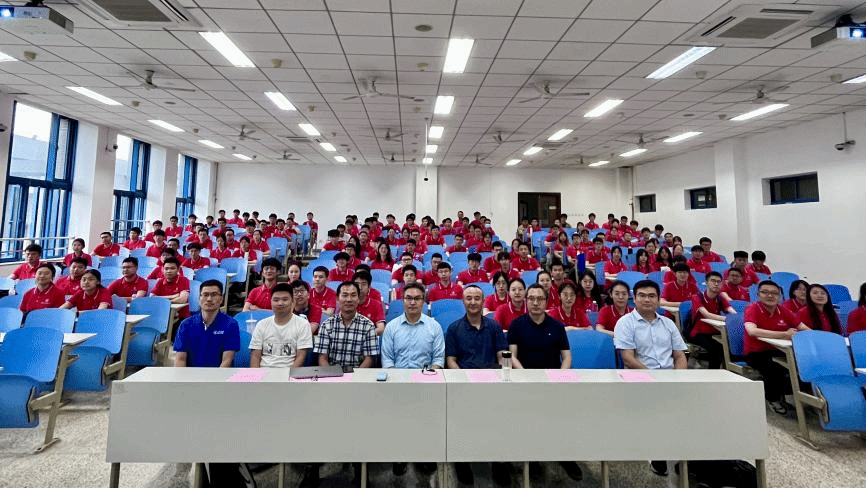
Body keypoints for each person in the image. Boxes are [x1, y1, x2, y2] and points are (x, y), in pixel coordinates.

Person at [507, 284, 582, 481]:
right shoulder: (517, 325)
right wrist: (524, 376)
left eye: (540, 299)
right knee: (530, 419)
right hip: (525, 380)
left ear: (547, 301)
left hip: (553, 381)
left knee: (562, 418)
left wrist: (560, 378)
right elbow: (512, 356)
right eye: (531, 298)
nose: (535, 303)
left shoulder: (556, 326)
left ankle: (564, 456)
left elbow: (566, 357)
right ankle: (532, 458)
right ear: (526, 301)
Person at [172, 279, 243, 487]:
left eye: (214, 295)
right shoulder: (186, 325)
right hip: (192, 386)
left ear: (221, 299)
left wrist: (212, 388)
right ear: (199, 298)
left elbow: (227, 361)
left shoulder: (230, 324)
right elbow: (180, 360)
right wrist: (185, 387)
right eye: (205, 294)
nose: (209, 298)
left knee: (216, 437)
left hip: (219, 386)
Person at [613, 279, 688, 477]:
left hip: (669, 377)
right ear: (634, 299)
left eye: (652, 296)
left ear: (658, 299)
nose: (647, 300)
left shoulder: (668, 324)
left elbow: (680, 355)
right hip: (639, 377)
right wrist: (654, 377)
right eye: (642, 296)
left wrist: (679, 378)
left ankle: (691, 453)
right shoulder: (625, 323)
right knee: (658, 405)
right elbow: (628, 358)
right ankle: (657, 451)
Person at [444, 285, 512, 486]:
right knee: (461, 422)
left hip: (491, 381)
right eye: (468, 298)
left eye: (477, 298)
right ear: (463, 302)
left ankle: (499, 462)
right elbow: (451, 360)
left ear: (483, 301)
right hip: (464, 382)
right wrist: (463, 380)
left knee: (499, 420)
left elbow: (501, 355)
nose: (473, 302)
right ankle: (462, 461)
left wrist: (502, 377)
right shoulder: (454, 328)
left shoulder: (494, 326)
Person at [744, 280, 809, 414]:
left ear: (779, 296)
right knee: (775, 368)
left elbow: (803, 328)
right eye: (765, 292)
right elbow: (752, 331)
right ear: (758, 294)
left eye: (774, 293)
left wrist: (820, 338)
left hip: (779, 349)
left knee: (804, 363)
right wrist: (784, 335)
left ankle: (796, 396)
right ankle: (772, 398)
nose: (770, 296)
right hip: (756, 352)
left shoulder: (783, 310)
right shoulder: (752, 308)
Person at [314, 281, 379, 368]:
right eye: (344, 295)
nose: (349, 299)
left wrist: (356, 375)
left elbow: (369, 359)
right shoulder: (327, 325)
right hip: (332, 373)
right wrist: (331, 374)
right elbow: (322, 358)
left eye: (353, 295)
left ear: (358, 299)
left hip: (358, 373)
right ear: (337, 299)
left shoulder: (368, 326)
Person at [249, 282, 312, 368]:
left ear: (293, 301)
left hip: (290, 372)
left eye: (285, 299)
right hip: (264, 372)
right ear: (271, 302)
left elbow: (301, 357)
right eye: (276, 300)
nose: (280, 303)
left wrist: (288, 375)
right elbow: (255, 356)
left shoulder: (303, 324)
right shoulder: (261, 324)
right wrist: (256, 375)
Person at [688, 271, 736, 369]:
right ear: (706, 282)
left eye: (718, 282)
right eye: (713, 281)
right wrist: (728, 319)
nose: (716, 284)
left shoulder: (720, 298)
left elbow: (731, 311)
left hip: (716, 332)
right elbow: (707, 315)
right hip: (699, 333)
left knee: (728, 347)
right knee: (716, 349)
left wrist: (735, 318)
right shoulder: (697, 297)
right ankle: (713, 373)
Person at [351, 270, 386, 335]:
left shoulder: (376, 304)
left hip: (368, 338)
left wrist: (364, 334)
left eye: (363, 284)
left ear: (369, 287)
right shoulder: (348, 303)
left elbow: (381, 328)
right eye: (357, 284)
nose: (360, 287)